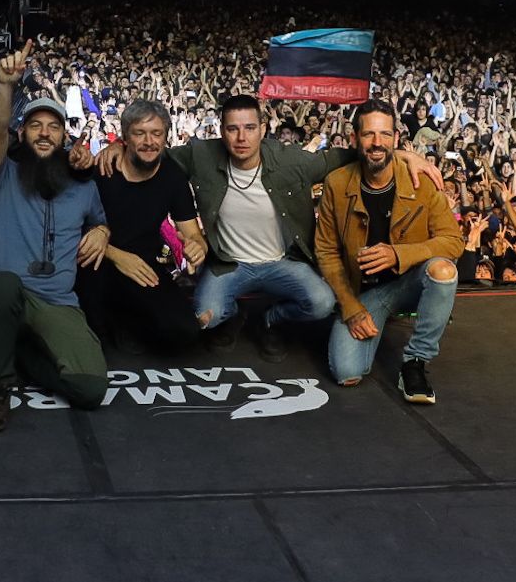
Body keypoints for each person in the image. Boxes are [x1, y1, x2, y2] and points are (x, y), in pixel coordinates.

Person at [99, 93, 441, 362]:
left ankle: (271, 320)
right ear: (221, 132)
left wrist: (402, 155)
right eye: (232, 128)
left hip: (283, 261)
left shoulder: (291, 160)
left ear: (263, 129)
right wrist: (118, 145)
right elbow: (151, 148)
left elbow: (343, 156)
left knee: (322, 302)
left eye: (250, 128)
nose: (241, 137)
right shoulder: (200, 155)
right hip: (229, 265)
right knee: (204, 317)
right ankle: (235, 315)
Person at [0, 40, 111, 433]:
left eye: (53, 126)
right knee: (2, 286)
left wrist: (101, 230)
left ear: (65, 136)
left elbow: (99, 220)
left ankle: (18, 352)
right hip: (3, 296)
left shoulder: (82, 186)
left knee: (91, 388)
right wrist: (5, 86)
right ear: (23, 133)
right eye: (36, 125)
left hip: (57, 301)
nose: (45, 133)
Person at [314, 99, 464, 404]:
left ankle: (415, 361)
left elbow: (453, 241)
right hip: (366, 293)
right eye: (369, 135)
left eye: (385, 135)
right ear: (355, 139)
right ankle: (377, 318)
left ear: (396, 138)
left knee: (443, 271)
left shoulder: (421, 182)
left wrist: (399, 254)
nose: (377, 143)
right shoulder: (336, 183)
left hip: (411, 282)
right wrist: (350, 308)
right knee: (346, 373)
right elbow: (327, 252)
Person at [77, 98, 208, 353]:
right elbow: (70, 228)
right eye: (140, 133)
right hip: (95, 261)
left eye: (156, 133)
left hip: (142, 267)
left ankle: (125, 319)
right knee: (94, 344)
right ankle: (106, 322)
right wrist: (117, 256)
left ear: (165, 137)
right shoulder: (103, 170)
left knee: (185, 333)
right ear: (125, 137)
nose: (149, 141)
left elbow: (192, 233)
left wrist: (197, 247)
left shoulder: (172, 176)